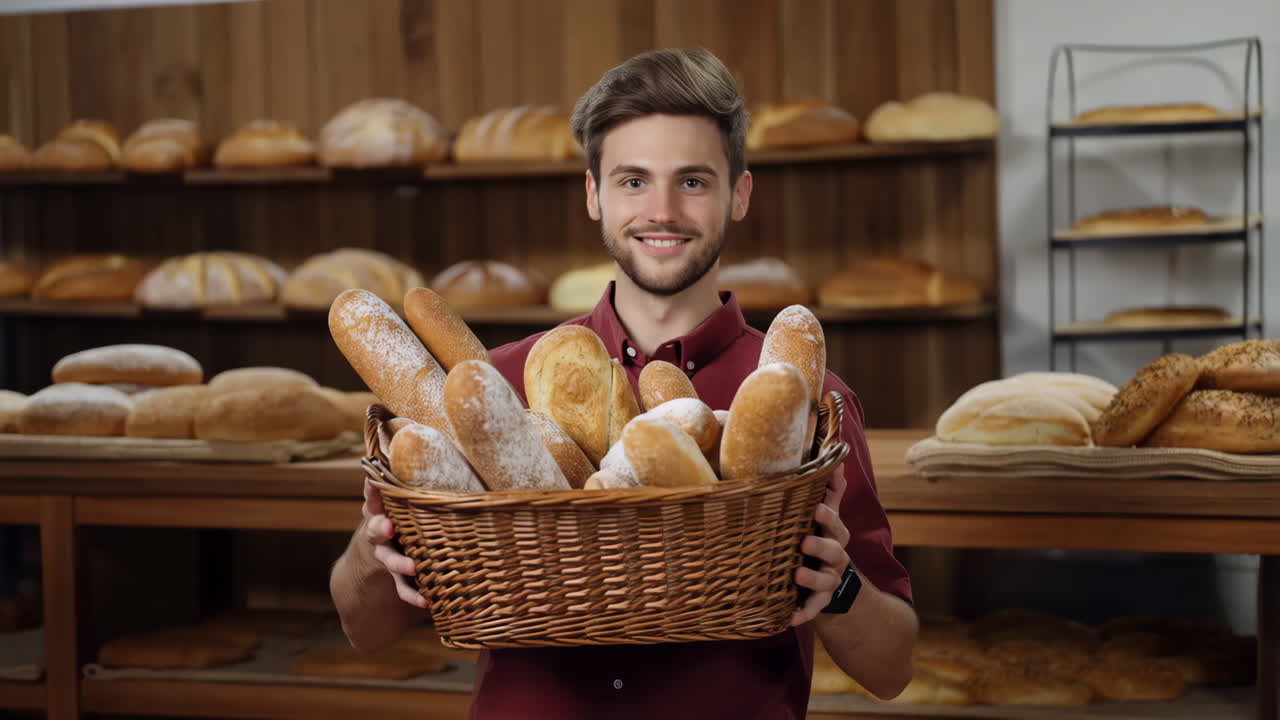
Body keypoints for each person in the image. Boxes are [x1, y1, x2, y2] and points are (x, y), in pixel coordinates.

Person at [330, 47, 918, 719]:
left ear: (740, 193)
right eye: (633, 181)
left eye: (692, 181)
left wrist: (836, 586)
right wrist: (375, 551)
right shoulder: (493, 390)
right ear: (594, 195)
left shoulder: (810, 402)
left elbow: (893, 667)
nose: (661, 210)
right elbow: (365, 632)